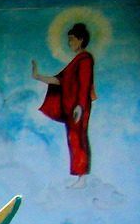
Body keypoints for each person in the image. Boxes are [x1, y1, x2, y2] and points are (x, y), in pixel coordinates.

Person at [33, 23, 95, 187]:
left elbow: (85, 83)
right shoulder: (76, 61)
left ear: (80, 39)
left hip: (78, 107)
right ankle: (79, 176)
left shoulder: (85, 59)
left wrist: (80, 105)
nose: (69, 43)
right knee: (72, 139)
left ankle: (82, 178)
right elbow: (59, 81)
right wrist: (38, 76)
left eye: (71, 39)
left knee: (78, 138)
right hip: (71, 107)